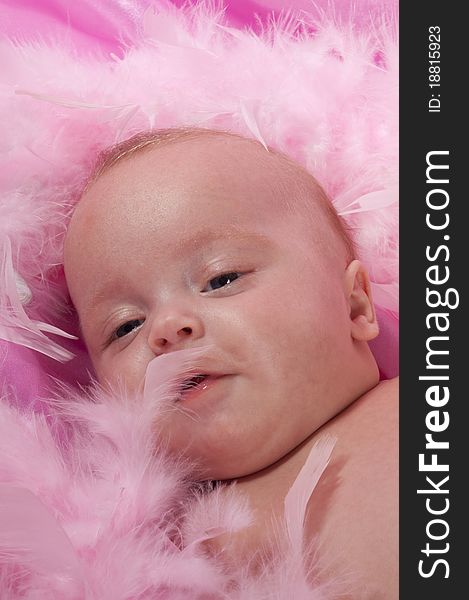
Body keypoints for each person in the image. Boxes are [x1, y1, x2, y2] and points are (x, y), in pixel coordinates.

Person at [64, 127, 398, 598]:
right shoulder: (164, 550)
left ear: (356, 306)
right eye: (124, 326)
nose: (167, 326)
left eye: (220, 279)